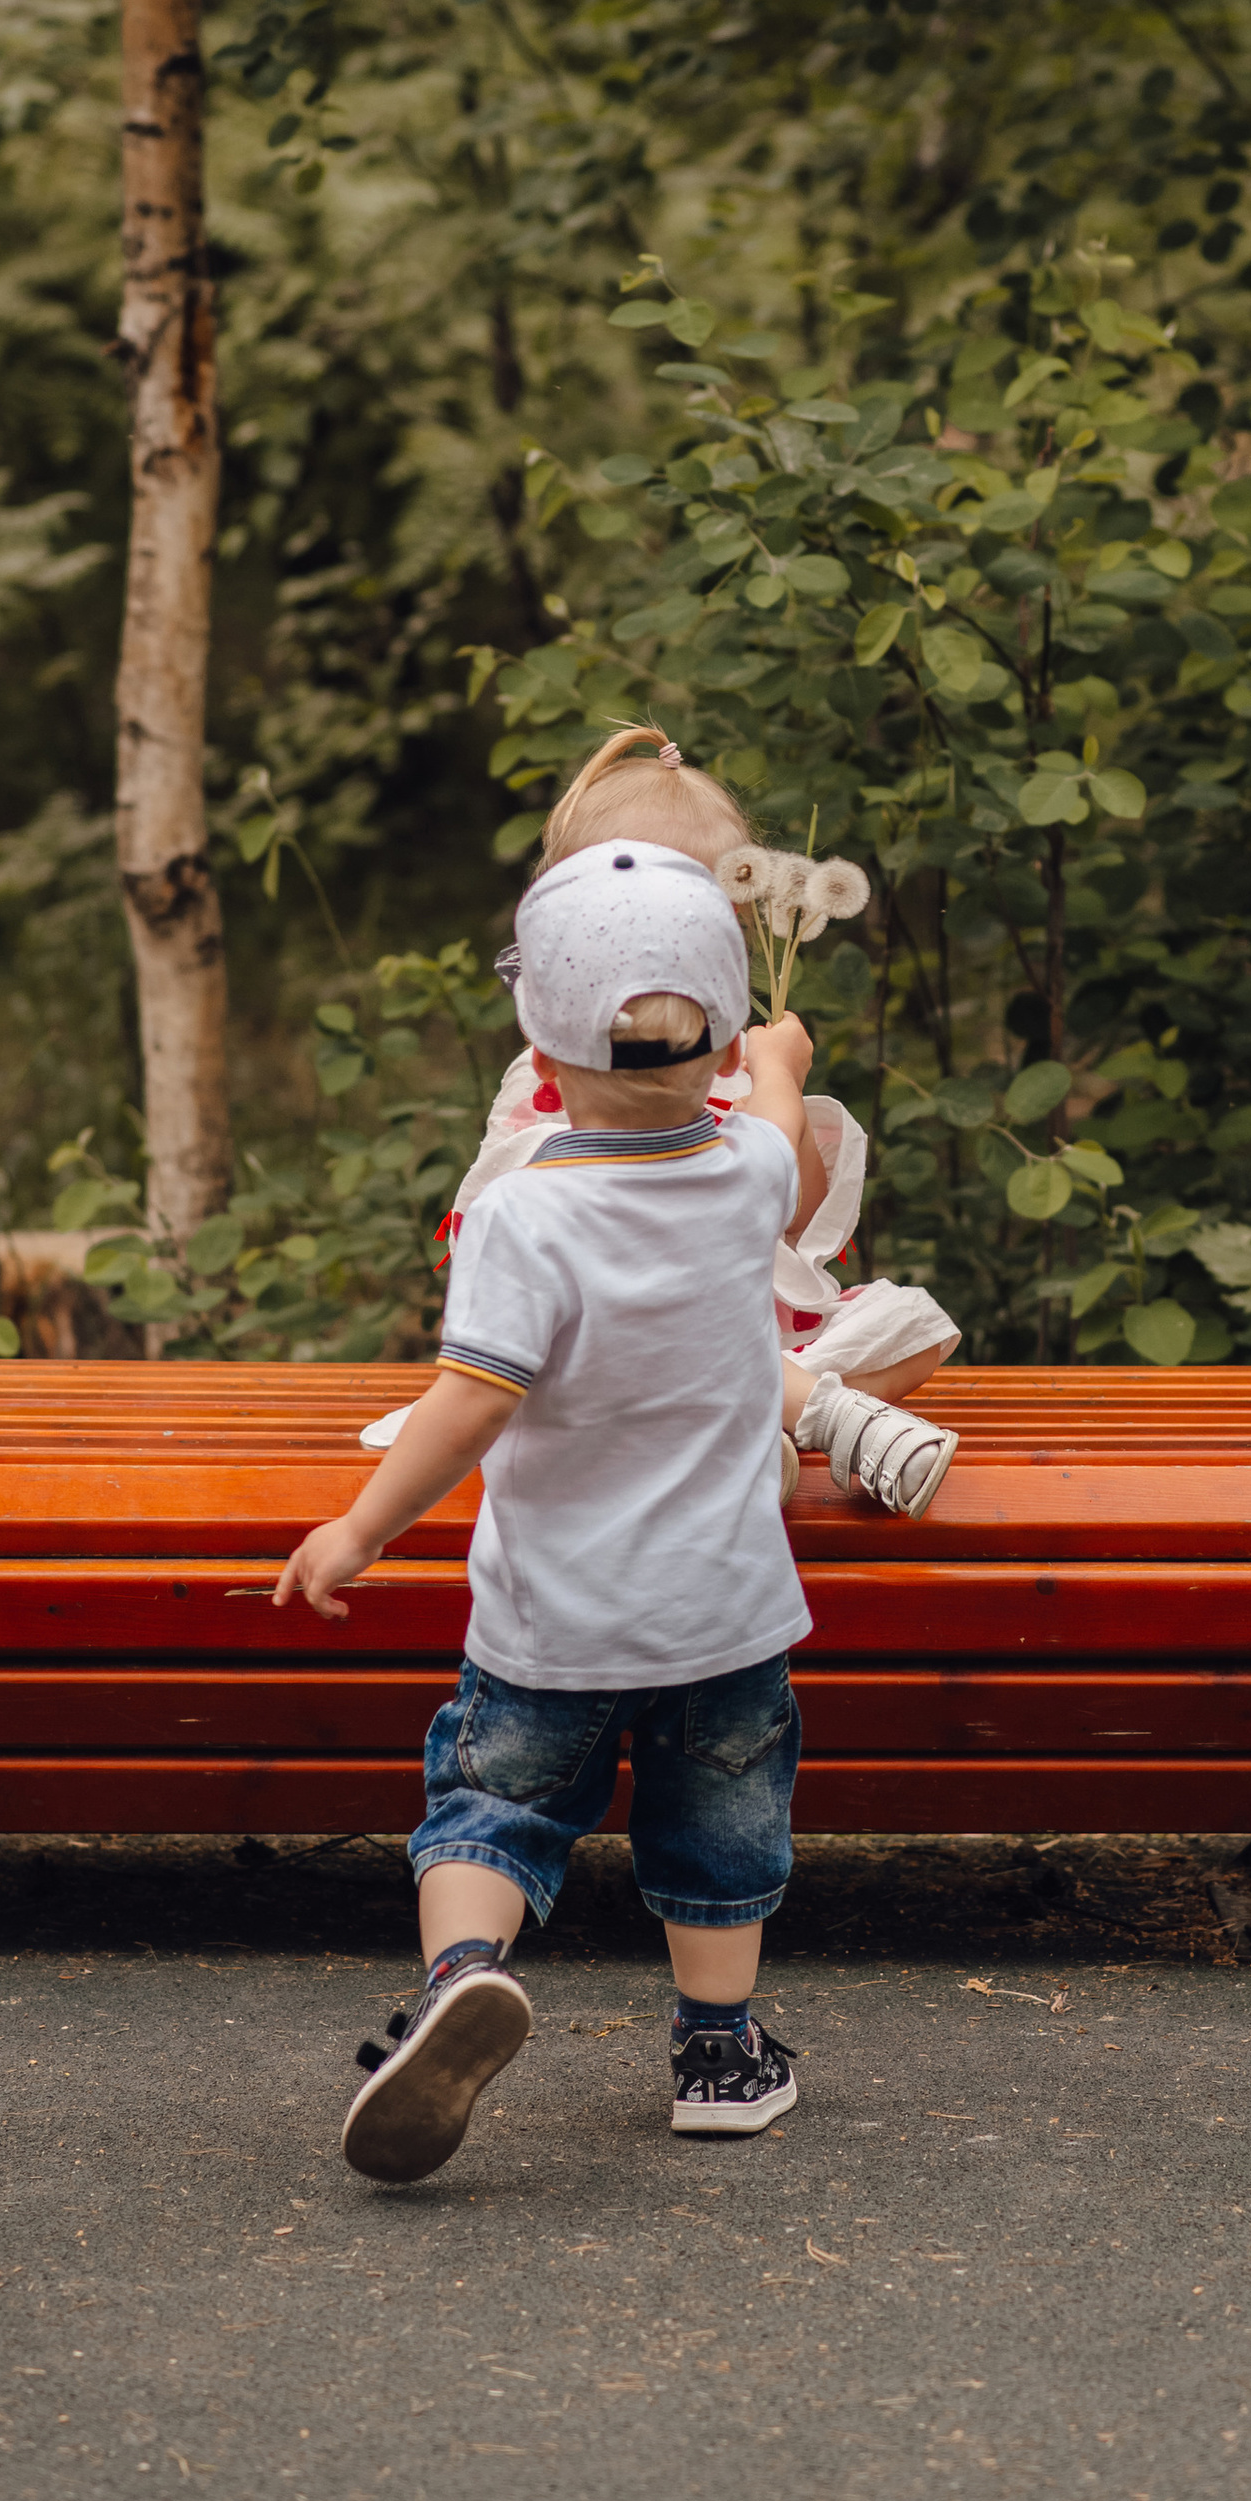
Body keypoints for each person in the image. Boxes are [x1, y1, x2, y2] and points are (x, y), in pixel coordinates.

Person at [276, 837, 835, 2188]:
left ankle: (462, 1975)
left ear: (540, 1038)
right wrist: (783, 1068)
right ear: (712, 1040)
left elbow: (469, 1400)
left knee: (490, 1806)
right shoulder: (746, 1173)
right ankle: (718, 2056)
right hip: (725, 1619)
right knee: (720, 1833)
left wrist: (360, 1527)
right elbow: (791, 1160)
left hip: (552, 1623)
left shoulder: (525, 1215)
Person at [362, 724, 962, 1517]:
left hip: (750, 1339)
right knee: (673, 1359)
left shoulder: (727, 1057)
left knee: (917, 1330)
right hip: (604, 1345)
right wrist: (778, 1079)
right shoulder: (554, 1085)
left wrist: (769, 1079)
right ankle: (769, 1426)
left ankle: (757, 1433)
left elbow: (793, 1211)